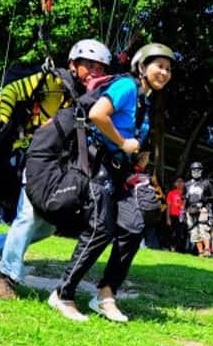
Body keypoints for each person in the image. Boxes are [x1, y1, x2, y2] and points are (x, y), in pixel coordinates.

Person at [48, 42, 174, 323]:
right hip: (99, 165)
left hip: (121, 171)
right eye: (159, 66)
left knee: (133, 228)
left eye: (168, 69)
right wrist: (122, 142)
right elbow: (97, 115)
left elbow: (131, 132)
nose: (164, 72)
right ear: (142, 67)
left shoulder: (146, 99)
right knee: (101, 229)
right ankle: (62, 294)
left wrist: (137, 153)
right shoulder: (127, 87)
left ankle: (105, 295)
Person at [0, 39, 109, 300]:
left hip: (63, 165)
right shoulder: (51, 81)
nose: (95, 71)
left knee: (47, 225)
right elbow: (12, 90)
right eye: (89, 65)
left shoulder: (93, 97)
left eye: (100, 67)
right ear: (73, 64)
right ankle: (6, 277)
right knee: (28, 215)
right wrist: (1, 116)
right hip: (36, 156)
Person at [183, 161, 213, 257]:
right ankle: (200, 252)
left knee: (203, 229)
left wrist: (206, 199)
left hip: (202, 209)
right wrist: (183, 211)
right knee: (193, 231)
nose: (195, 171)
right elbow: (183, 197)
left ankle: (207, 250)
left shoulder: (206, 183)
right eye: (193, 169)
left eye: (197, 169)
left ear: (201, 171)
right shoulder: (187, 184)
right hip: (190, 209)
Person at [165, 176, 186, 252]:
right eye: (178, 181)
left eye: (181, 181)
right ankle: (168, 247)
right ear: (175, 183)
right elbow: (168, 206)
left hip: (182, 217)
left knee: (179, 233)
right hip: (172, 216)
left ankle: (175, 248)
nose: (180, 183)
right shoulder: (171, 193)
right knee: (170, 233)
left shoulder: (186, 194)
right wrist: (168, 218)